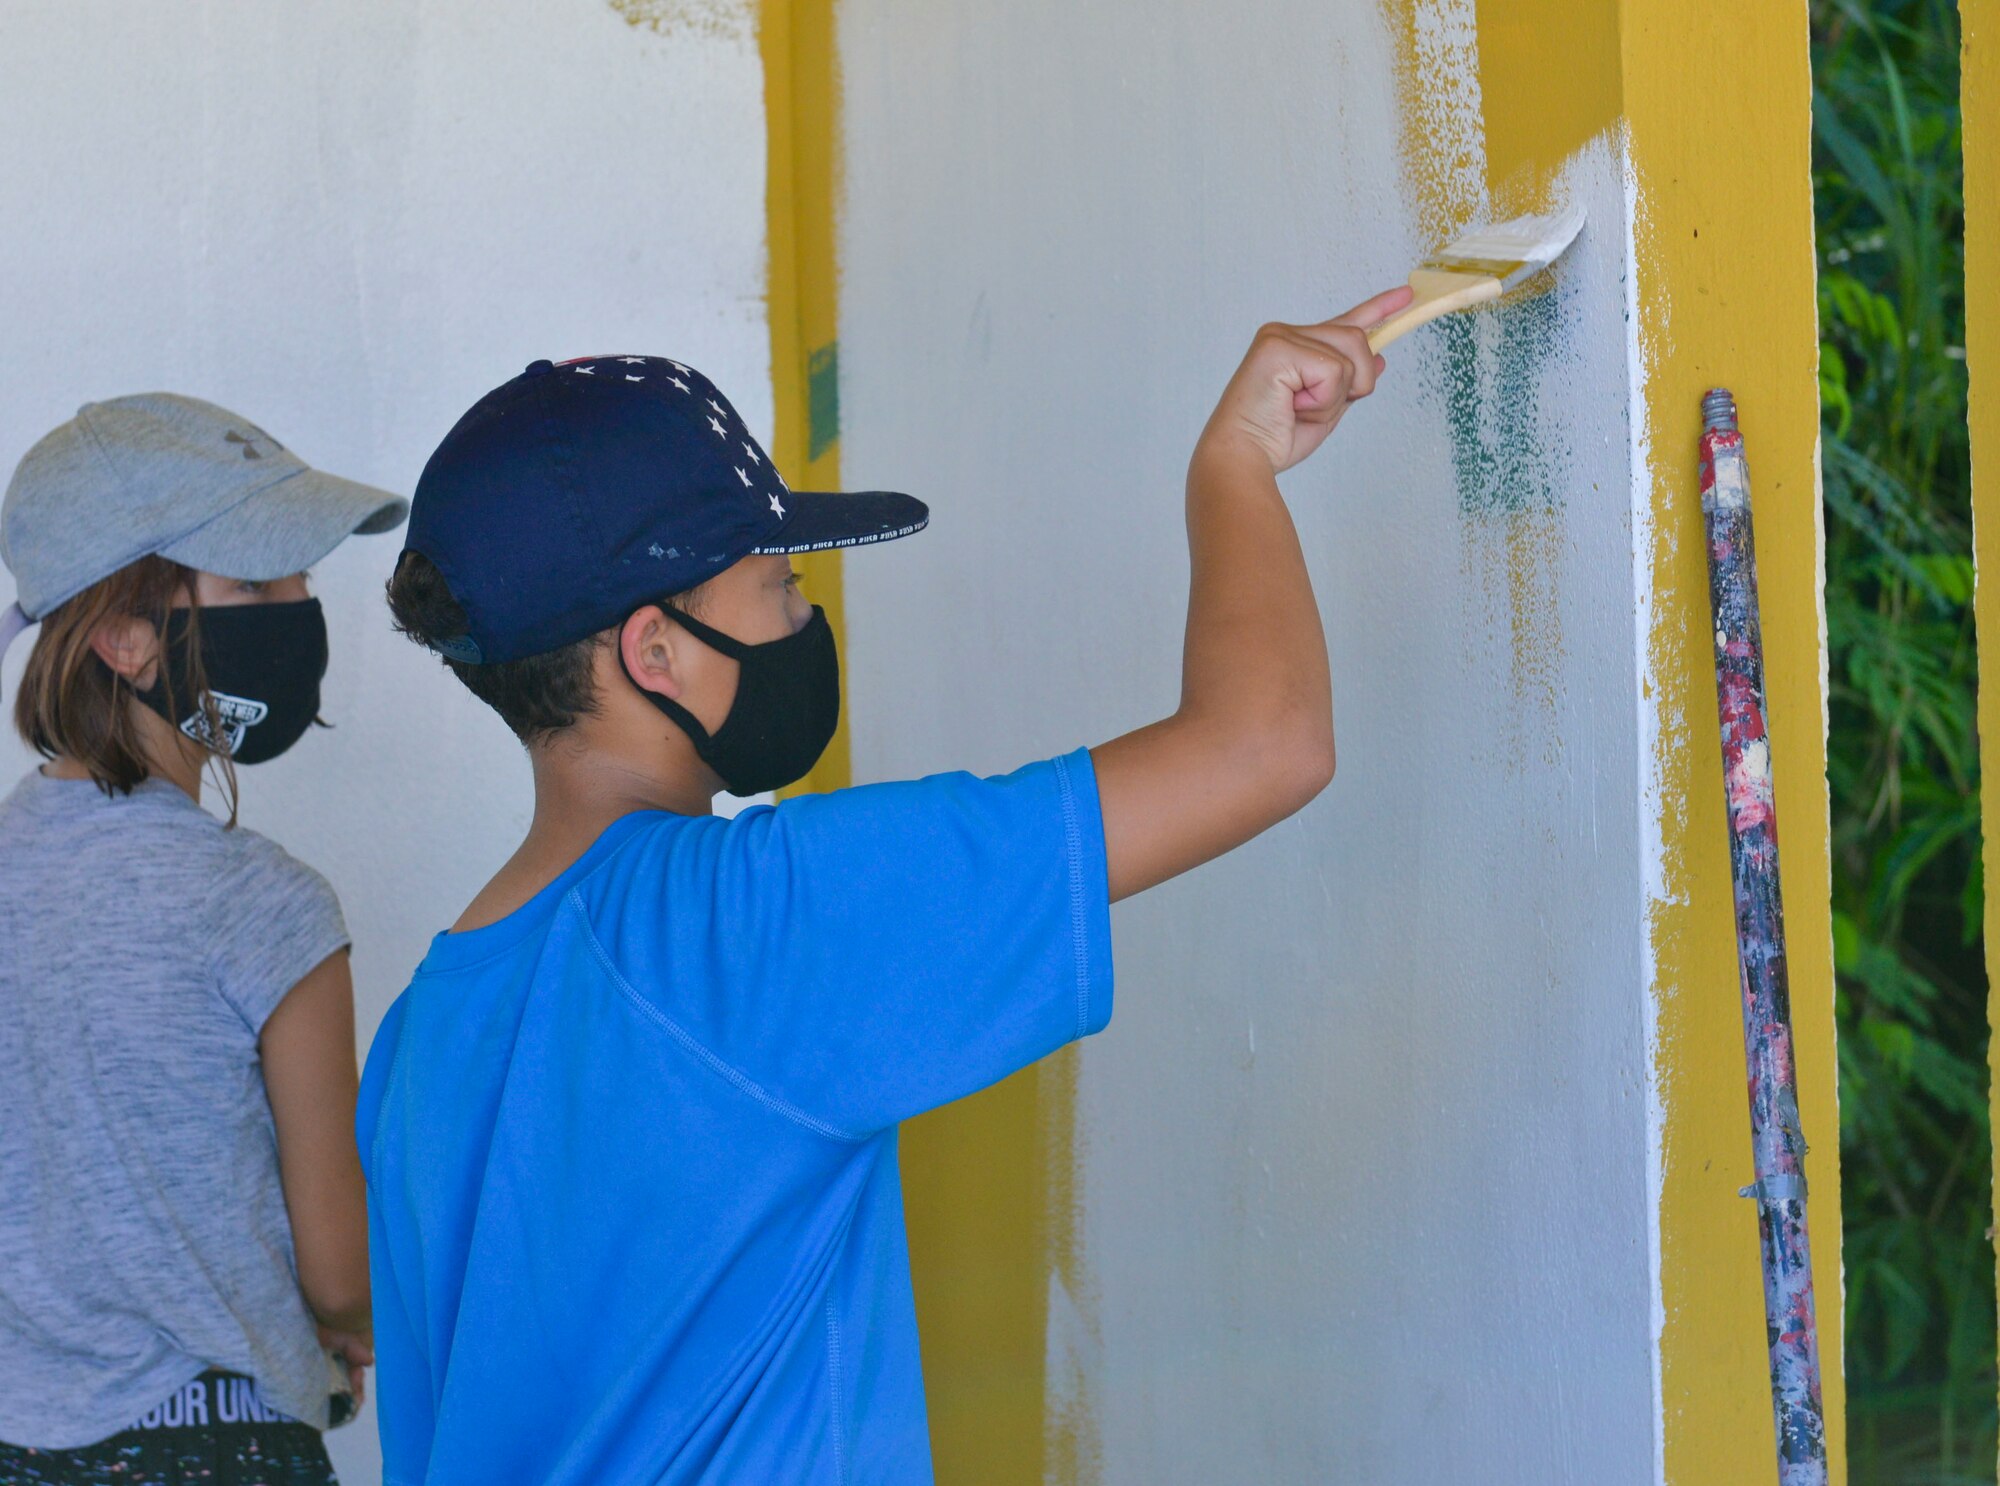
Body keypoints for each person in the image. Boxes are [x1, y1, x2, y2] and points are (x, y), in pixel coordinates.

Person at [366, 291, 1409, 1485]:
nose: (808, 618)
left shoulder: (416, 1037)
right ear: (654, 652)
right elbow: (1262, 742)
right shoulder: (744, 926)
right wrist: (1237, 463)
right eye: (783, 586)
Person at [0, 394, 408, 1484]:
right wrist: (357, 1321)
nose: (299, 609)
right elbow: (337, 1272)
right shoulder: (269, 904)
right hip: (216, 1444)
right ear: (123, 638)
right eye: (255, 583)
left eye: (299, 580)